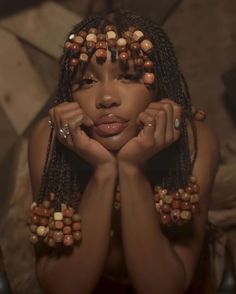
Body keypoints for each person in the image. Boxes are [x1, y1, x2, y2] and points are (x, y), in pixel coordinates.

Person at [28, 9, 219, 294]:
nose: (106, 98)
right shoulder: (50, 138)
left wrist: (131, 168)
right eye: (86, 82)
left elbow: (166, 287)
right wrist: (104, 172)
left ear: (159, 87)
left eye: (128, 76)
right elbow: (61, 287)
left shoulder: (194, 140)